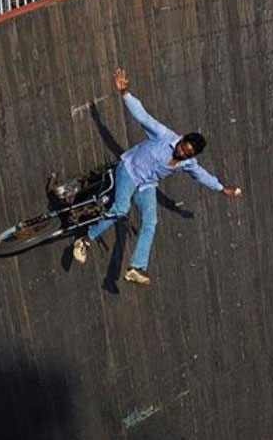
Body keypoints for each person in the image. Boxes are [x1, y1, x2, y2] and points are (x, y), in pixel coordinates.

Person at [72, 68, 242, 285]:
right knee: (122, 209)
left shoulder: (188, 163)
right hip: (129, 170)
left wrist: (221, 188)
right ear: (181, 139)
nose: (181, 153)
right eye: (182, 148)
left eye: (187, 154)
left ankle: (136, 267)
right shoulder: (163, 136)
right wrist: (125, 93)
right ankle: (85, 239)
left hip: (146, 185)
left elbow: (202, 175)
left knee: (151, 221)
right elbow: (143, 116)